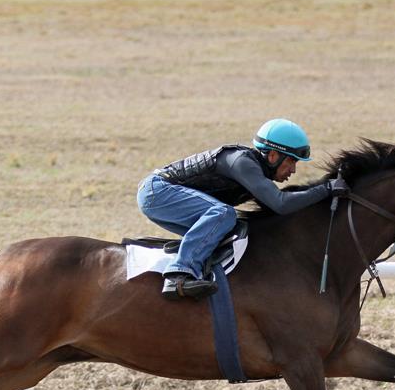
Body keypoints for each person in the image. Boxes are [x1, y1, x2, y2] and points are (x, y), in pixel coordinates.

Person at [137, 118, 351, 300]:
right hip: (158, 191)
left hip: (162, 195)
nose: (293, 170)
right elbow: (281, 203)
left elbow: (282, 209)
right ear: (273, 156)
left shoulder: (255, 173)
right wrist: (326, 189)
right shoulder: (243, 162)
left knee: (234, 229)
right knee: (223, 214)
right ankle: (179, 273)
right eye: (291, 162)